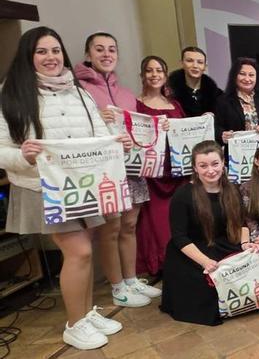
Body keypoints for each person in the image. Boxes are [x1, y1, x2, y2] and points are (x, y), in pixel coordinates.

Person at [0, 27, 130, 350]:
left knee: (83, 250)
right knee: (80, 251)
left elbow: (98, 134)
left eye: (55, 51)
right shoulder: (11, 94)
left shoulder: (79, 92)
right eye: (42, 52)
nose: (51, 58)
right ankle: (74, 324)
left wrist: (118, 143)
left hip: (82, 185)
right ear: (28, 56)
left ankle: (85, 314)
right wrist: (22, 156)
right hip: (43, 188)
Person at [75, 32, 161, 308]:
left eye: (112, 49)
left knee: (129, 225)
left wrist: (159, 127)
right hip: (105, 170)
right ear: (88, 55)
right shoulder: (80, 91)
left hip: (131, 167)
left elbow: (139, 129)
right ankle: (117, 286)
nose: (106, 54)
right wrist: (97, 118)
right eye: (99, 49)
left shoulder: (126, 94)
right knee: (110, 229)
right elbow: (74, 131)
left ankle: (131, 279)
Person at [160, 141, 254, 326]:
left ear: (223, 164)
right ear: (195, 168)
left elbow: (242, 222)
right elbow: (179, 237)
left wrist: (244, 245)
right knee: (209, 291)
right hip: (192, 250)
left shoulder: (233, 189)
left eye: (215, 164)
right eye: (203, 166)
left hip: (223, 243)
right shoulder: (183, 195)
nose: (210, 170)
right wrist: (205, 262)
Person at [135, 55, 188, 276]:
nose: (155, 75)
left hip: (177, 171)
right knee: (155, 220)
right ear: (142, 75)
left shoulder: (174, 105)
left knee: (180, 216)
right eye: (150, 70)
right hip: (153, 172)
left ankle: (184, 259)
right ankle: (160, 264)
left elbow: (185, 132)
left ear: (165, 76)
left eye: (159, 70)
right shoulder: (135, 104)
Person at [215, 57, 259, 145]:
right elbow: (217, 127)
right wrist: (222, 135)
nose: (247, 79)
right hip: (237, 153)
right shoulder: (223, 101)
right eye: (242, 74)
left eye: (251, 75)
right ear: (234, 76)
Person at [168, 46, 222, 117]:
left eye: (200, 62)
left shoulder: (217, 95)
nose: (195, 66)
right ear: (182, 63)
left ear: (205, 67)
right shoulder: (169, 93)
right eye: (189, 61)